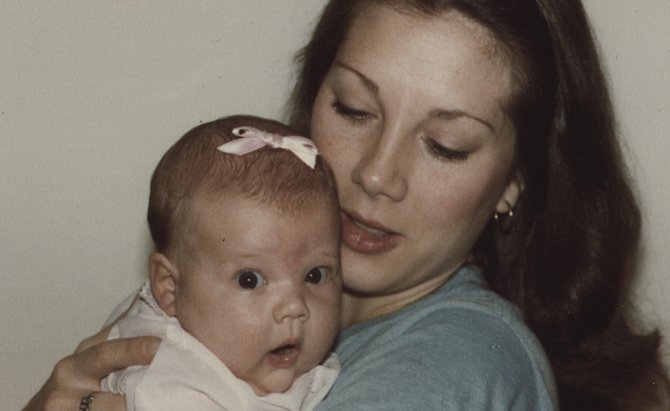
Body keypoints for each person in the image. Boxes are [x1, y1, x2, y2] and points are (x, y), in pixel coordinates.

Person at [24, 1, 670, 410]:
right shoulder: (210, 295)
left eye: (445, 145)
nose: (377, 173)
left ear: (514, 182)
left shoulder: (453, 363)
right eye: (355, 109)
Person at [96, 115, 342, 410]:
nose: (295, 307)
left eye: (315, 275)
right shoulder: (171, 384)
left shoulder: (223, 342)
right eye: (249, 280)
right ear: (170, 288)